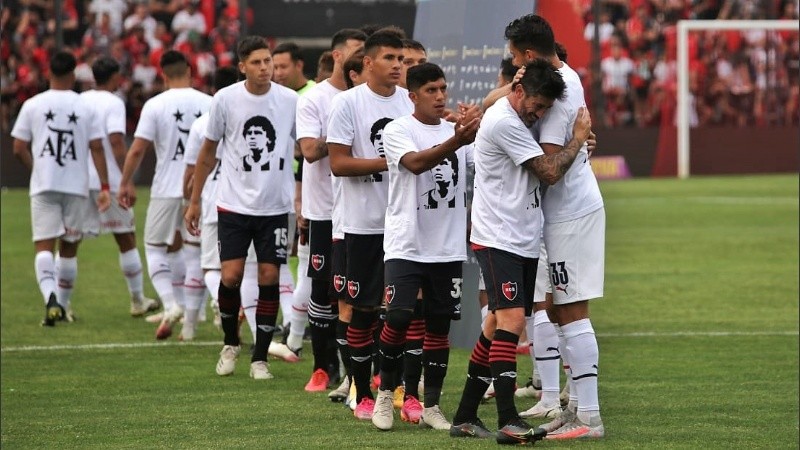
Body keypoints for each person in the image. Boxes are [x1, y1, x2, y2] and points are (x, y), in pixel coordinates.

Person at [449, 59, 591, 445]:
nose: (539, 113)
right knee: (512, 321)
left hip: (521, 236)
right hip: (499, 238)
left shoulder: (516, 113)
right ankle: (509, 419)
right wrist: (577, 140)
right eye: (537, 104)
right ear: (518, 91)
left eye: (546, 108)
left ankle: (463, 416)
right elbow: (547, 170)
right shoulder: (504, 122)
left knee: (496, 324)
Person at [505, 14, 607, 440]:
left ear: (528, 55)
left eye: (514, 57)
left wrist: (574, 141)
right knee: (559, 309)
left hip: (571, 211)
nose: (513, 65)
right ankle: (573, 407)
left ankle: (590, 418)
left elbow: (549, 168)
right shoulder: (565, 76)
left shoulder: (557, 95)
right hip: (563, 212)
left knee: (571, 309)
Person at [370, 62, 480, 432]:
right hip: (406, 243)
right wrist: (458, 140)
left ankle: (431, 404)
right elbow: (415, 164)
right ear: (412, 96)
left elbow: (483, 168)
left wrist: (477, 132)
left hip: (446, 247)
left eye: (443, 89)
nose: (439, 96)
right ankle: (386, 392)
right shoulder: (398, 130)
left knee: (438, 327)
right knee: (399, 316)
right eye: (431, 90)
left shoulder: (457, 133)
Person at [184, 35, 298, 380]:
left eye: (269, 62)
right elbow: (208, 153)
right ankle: (231, 341)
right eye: (258, 62)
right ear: (242, 67)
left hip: (275, 207)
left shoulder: (290, 100)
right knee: (231, 276)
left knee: (269, 277)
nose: (266, 68)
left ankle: (259, 358)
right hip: (232, 204)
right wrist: (193, 201)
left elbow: (305, 147)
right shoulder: (225, 99)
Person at [327, 30, 413, 421]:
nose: (398, 65)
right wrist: (392, 161)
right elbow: (339, 163)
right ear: (368, 63)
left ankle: (394, 389)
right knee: (362, 312)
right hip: (362, 225)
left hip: (404, 224)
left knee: (400, 314)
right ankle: (361, 391)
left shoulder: (410, 102)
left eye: (402, 59)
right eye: (391, 58)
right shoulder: (347, 104)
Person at [11, 50, 111, 326]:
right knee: (69, 248)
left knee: (43, 246)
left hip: (44, 184)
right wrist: (103, 185)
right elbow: (97, 148)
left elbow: (18, 147)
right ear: (73, 75)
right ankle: (63, 306)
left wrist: (36, 168)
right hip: (76, 185)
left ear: (48, 73)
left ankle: (50, 299)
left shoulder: (33, 104)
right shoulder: (85, 106)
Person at [118, 50, 212, 341]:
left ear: (162, 74)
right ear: (190, 70)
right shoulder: (209, 103)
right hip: (200, 187)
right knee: (193, 250)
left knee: (155, 246)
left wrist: (125, 182)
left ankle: (171, 304)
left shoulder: (155, 105)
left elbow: (137, 148)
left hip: (166, 187)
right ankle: (191, 314)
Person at [295, 28, 368, 396]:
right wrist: (339, 133)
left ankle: (356, 374)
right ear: (338, 56)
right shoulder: (315, 99)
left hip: (362, 210)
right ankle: (321, 368)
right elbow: (309, 151)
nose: (363, 58)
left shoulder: (371, 99)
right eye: (357, 51)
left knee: (359, 294)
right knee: (323, 290)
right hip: (325, 209)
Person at [80, 56, 160, 318]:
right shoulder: (113, 102)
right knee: (126, 238)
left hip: (80, 180)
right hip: (110, 181)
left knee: (68, 241)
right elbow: (115, 141)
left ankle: (61, 303)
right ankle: (137, 300)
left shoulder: (80, 100)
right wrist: (126, 179)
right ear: (114, 77)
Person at [181, 66, 244, 341]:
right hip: (242, 201)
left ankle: (221, 305)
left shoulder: (201, 123)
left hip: (210, 200)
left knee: (210, 266)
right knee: (246, 269)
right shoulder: (245, 116)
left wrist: (189, 199)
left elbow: (193, 168)